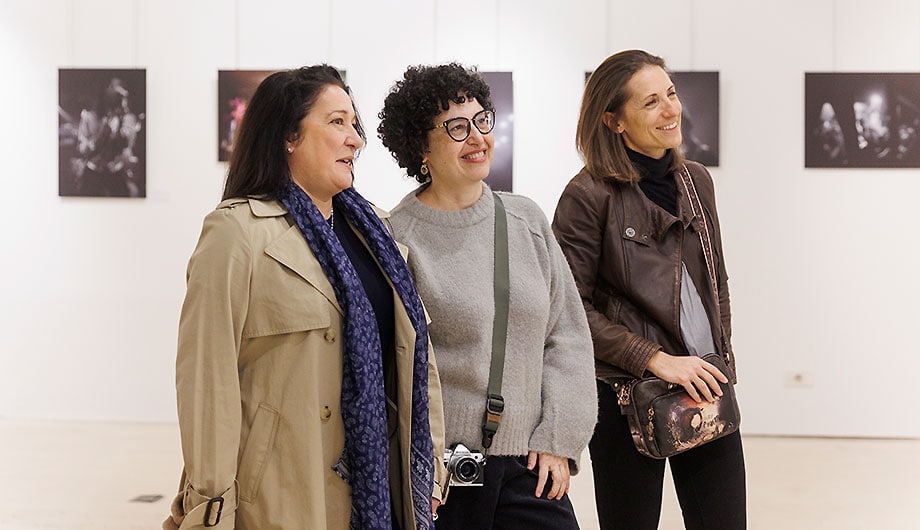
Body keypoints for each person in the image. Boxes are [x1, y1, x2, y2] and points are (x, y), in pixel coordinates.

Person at [163, 65, 447, 530]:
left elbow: (417, 354)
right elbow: (207, 383)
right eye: (337, 122)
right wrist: (210, 508)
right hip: (281, 499)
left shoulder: (373, 230)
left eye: (355, 125)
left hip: (379, 495)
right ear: (288, 137)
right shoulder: (235, 233)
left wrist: (428, 467)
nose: (355, 139)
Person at [377, 63, 597, 530]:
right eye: (457, 127)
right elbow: (390, 366)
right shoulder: (398, 237)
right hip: (446, 473)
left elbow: (568, 337)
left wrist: (559, 437)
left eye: (482, 121)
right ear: (421, 146)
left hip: (531, 466)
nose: (477, 137)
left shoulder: (525, 219)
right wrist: (417, 466)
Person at [552, 49, 747, 530]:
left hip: (704, 384)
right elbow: (568, 309)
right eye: (651, 102)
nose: (671, 110)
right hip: (626, 397)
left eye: (672, 94)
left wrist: (721, 363)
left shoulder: (696, 181)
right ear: (613, 120)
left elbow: (715, 282)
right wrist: (654, 359)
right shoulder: (588, 194)